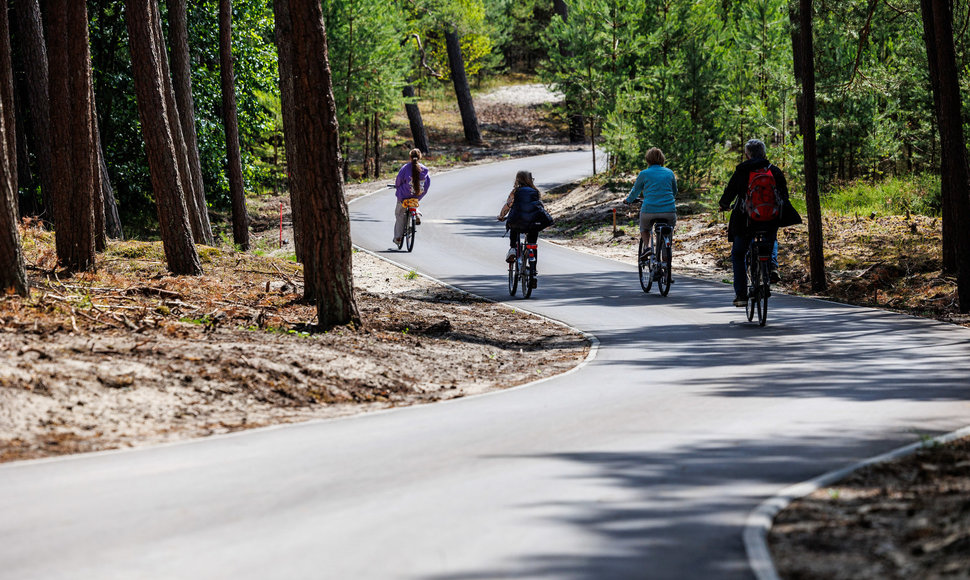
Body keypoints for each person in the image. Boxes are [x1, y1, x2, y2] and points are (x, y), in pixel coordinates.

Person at [718, 138, 802, 307]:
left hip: (745, 221)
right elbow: (784, 196)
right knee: (772, 239)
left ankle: (741, 295)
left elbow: (730, 192)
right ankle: (771, 266)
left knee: (738, 254)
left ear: (747, 154)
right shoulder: (774, 171)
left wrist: (724, 205)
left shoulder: (742, 171)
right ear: (764, 153)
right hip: (769, 220)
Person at [623, 147, 677, 264]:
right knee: (667, 233)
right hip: (669, 211)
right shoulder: (669, 173)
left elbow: (635, 191)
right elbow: (674, 191)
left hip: (649, 210)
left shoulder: (644, 174)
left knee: (644, 228)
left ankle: (647, 247)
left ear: (648, 160)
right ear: (662, 159)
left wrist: (628, 200)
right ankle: (666, 261)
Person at [497, 170, 553, 270]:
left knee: (514, 225)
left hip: (518, 222)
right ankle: (533, 271)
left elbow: (508, 205)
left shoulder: (515, 192)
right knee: (532, 242)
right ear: (531, 180)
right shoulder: (535, 192)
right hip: (533, 222)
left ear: (517, 179)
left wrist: (501, 216)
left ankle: (513, 248)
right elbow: (539, 206)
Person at [393, 148, 431, 247]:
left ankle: (398, 237)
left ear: (410, 157)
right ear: (420, 157)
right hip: (417, 195)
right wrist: (421, 194)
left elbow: (399, 181)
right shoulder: (425, 170)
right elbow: (427, 184)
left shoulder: (405, 168)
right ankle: (416, 213)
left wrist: (398, 188)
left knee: (400, 215)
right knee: (414, 202)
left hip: (404, 196)